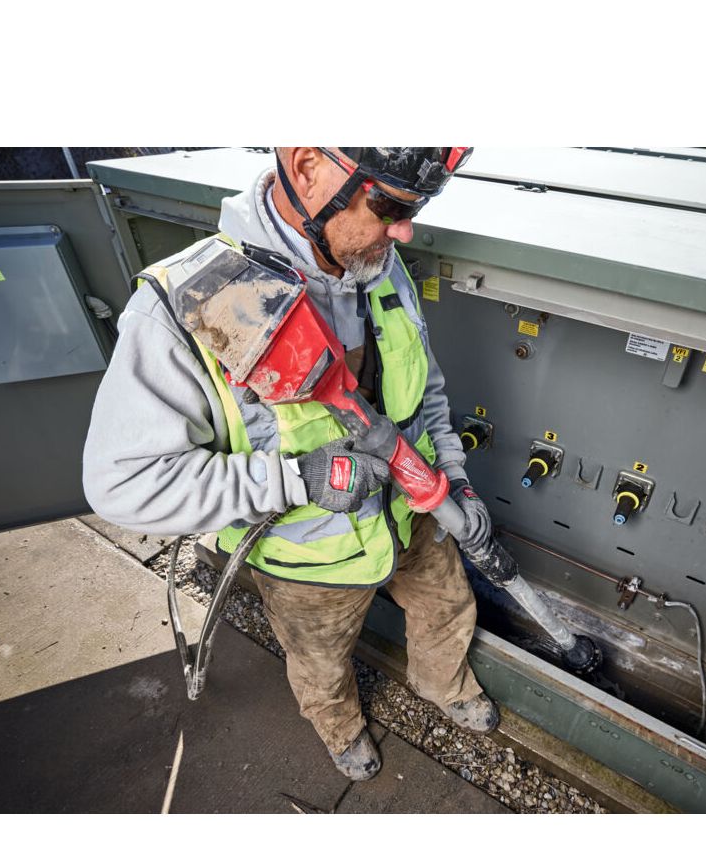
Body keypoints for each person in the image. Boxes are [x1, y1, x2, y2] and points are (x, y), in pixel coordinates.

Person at [83, 148, 499, 781]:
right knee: (321, 663)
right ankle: (340, 728)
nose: (405, 231)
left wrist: (455, 479)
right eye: (389, 205)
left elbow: (426, 392)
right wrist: (294, 479)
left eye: (415, 208)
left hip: (413, 516)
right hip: (309, 561)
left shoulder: (377, 263)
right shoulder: (191, 302)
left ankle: (445, 685)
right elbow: (122, 483)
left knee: (448, 606)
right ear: (306, 167)